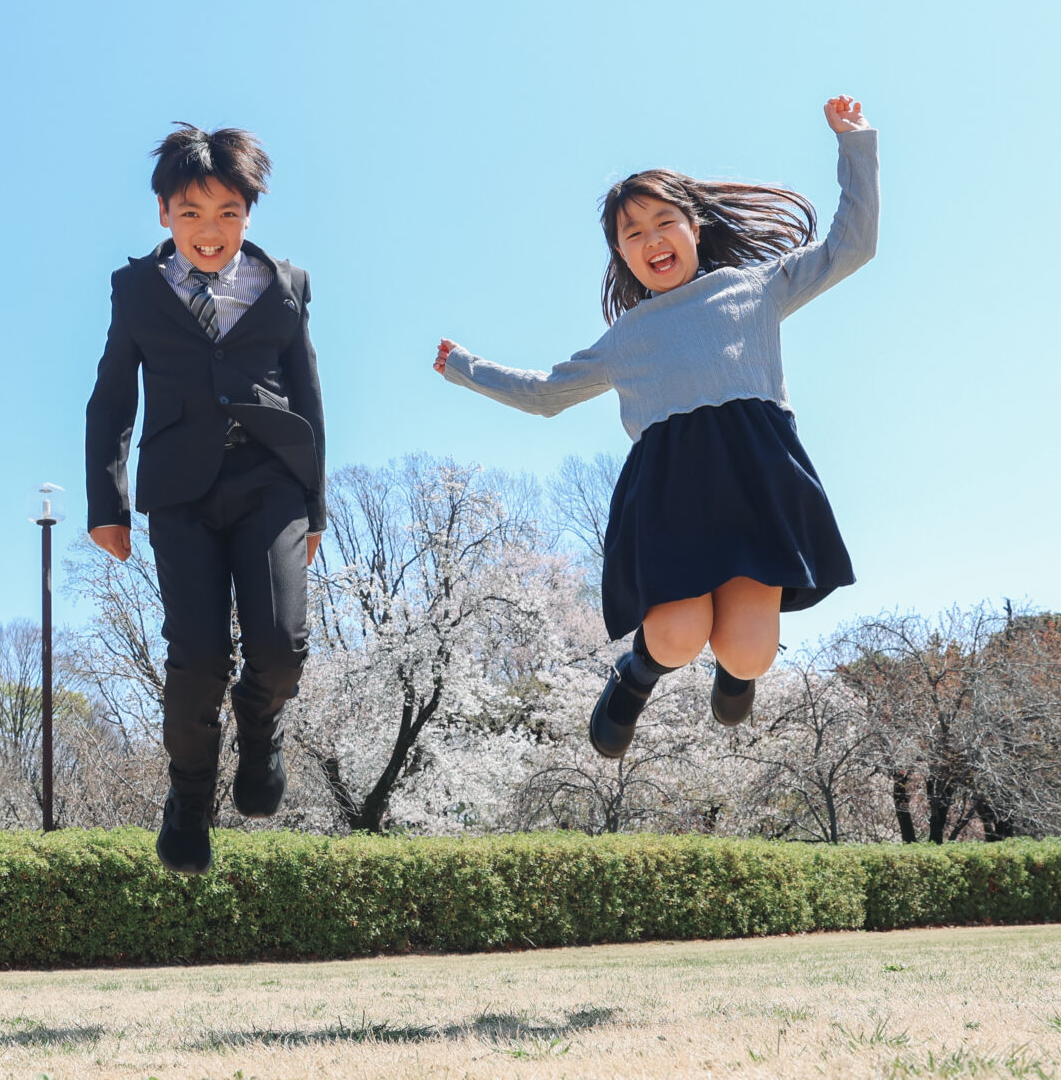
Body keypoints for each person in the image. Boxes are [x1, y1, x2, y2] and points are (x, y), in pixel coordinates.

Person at [434, 96, 877, 754]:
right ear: (621, 254)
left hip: (756, 486)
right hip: (674, 498)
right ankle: (636, 674)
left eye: (664, 221)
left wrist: (856, 144)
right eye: (632, 233)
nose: (652, 239)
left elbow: (852, 246)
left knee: (751, 653)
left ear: (695, 226)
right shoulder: (625, 339)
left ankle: (736, 670)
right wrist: (464, 366)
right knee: (675, 635)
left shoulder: (755, 286)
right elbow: (545, 394)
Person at [85, 124, 326, 873]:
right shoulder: (135, 289)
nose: (209, 229)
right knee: (197, 656)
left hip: (272, 482)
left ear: (248, 212)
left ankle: (260, 727)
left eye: (227, 212)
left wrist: (316, 507)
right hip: (180, 494)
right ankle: (189, 796)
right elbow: (112, 397)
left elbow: (309, 394)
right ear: (164, 213)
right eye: (191, 212)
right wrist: (107, 504)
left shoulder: (286, 285)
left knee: (281, 644)